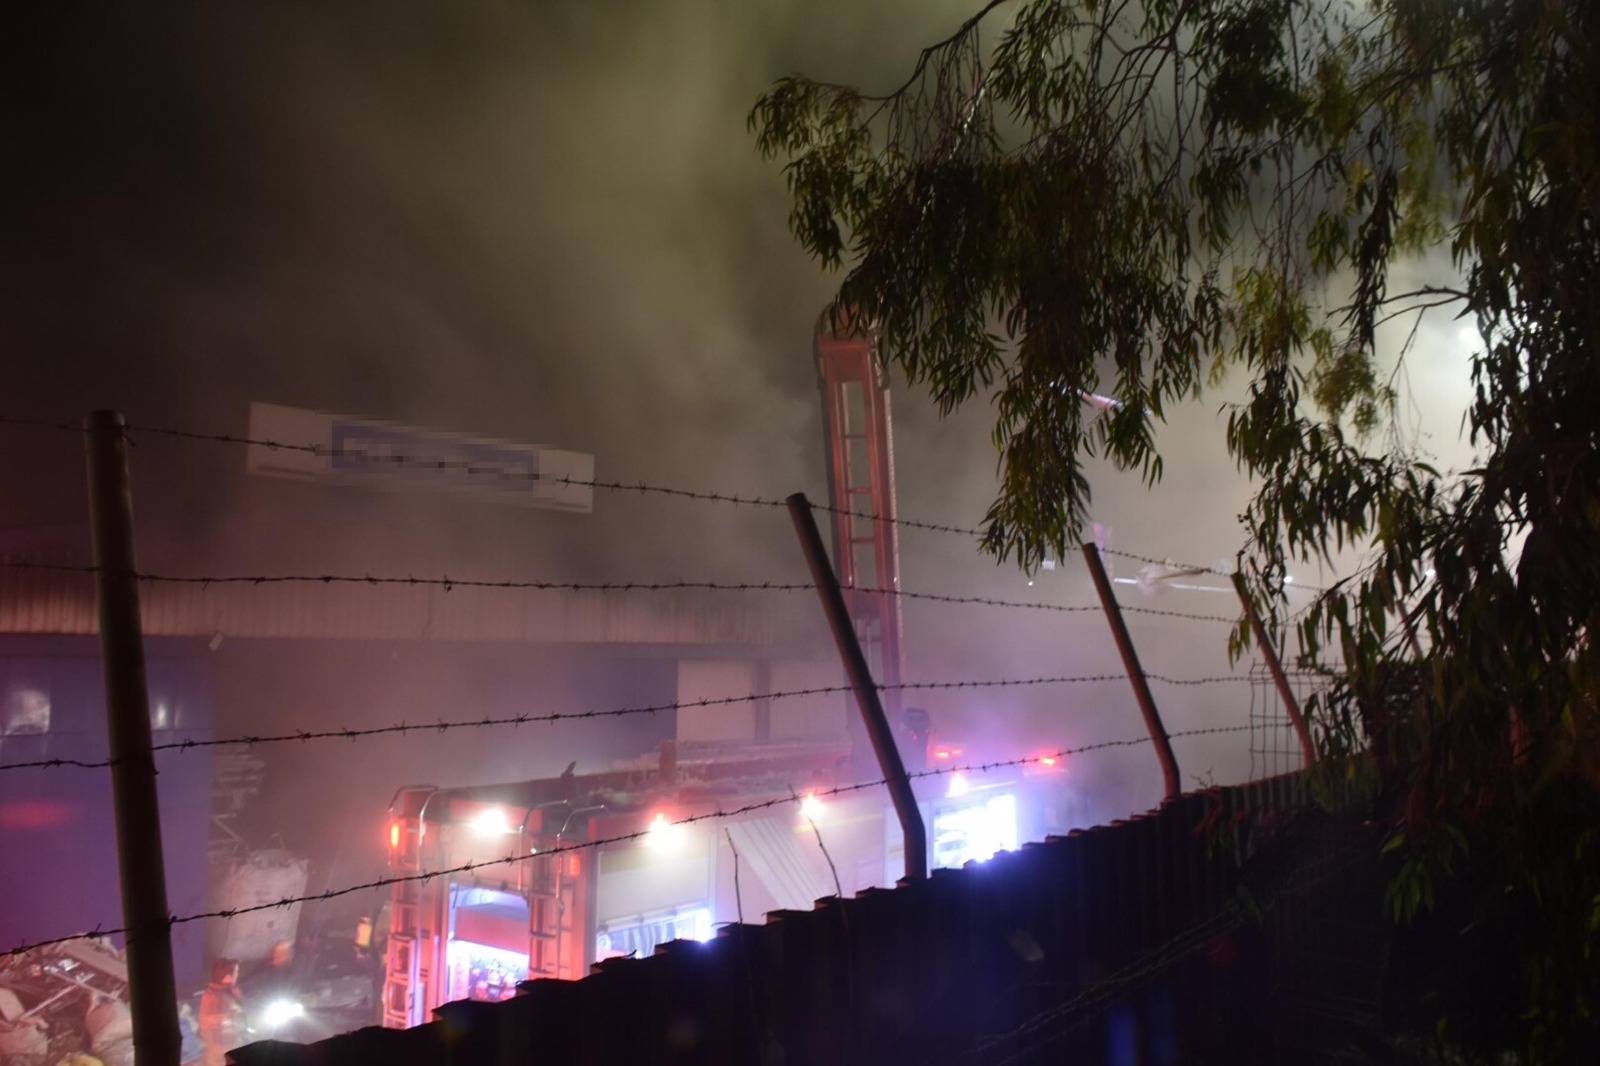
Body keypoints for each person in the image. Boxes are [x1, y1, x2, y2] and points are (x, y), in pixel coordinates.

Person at [197, 959, 244, 1066]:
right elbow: (218, 1032)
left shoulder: (226, 992)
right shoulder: (216, 998)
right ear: (227, 976)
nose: (237, 974)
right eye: (236, 972)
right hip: (221, 1056)